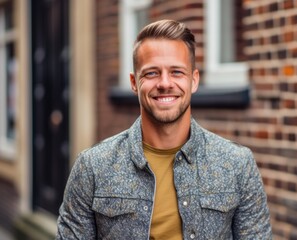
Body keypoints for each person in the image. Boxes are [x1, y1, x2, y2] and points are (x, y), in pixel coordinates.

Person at [56, 19, 272, 239]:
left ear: (194, 81)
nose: (165, 83)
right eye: (151, 73)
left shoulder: (237, 164)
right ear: (133, 82)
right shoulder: (92, 167)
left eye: (177, 72)